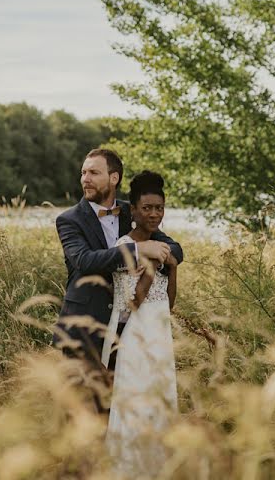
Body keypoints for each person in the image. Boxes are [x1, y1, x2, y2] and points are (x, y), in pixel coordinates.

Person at [52, 149, 183, 412]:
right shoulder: (69, 220)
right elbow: (84, 261)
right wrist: (139, 250)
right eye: (83, 173)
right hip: (83, 331)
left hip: (127, 332)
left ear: (114, 178)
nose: (85, 179)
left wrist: (162, 258)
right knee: (82, 417)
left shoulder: (133, 211)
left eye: (93, 172)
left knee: (119, 414)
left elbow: (175, 248)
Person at [101, 170, 178, 478]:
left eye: (158, 208)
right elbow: (133, 300)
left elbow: (168, 303)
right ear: (133, 210)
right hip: (131, 332)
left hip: (159, 332)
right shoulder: (125, 245)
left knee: (159, 399)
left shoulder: (163, 245)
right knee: (134, 398)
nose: (153, 214)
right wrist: (150, 267)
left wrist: (172, 269)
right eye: (147, 208)